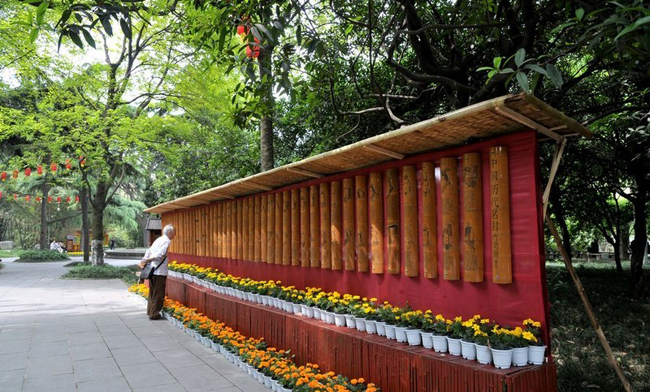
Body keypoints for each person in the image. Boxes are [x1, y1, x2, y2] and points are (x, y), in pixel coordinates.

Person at [138, 224, 176, 320]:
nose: (175, 235)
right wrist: (146, 260)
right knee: (159, 293)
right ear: (170, 232)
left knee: (152, 292)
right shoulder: (166, 241)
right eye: (174, 232)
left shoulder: (158, 239)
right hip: (159, 271)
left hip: (152, 270)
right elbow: (160, 255)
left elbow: (149, 251)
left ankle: (150, 311)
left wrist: (145, 259)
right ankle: (154, 314)